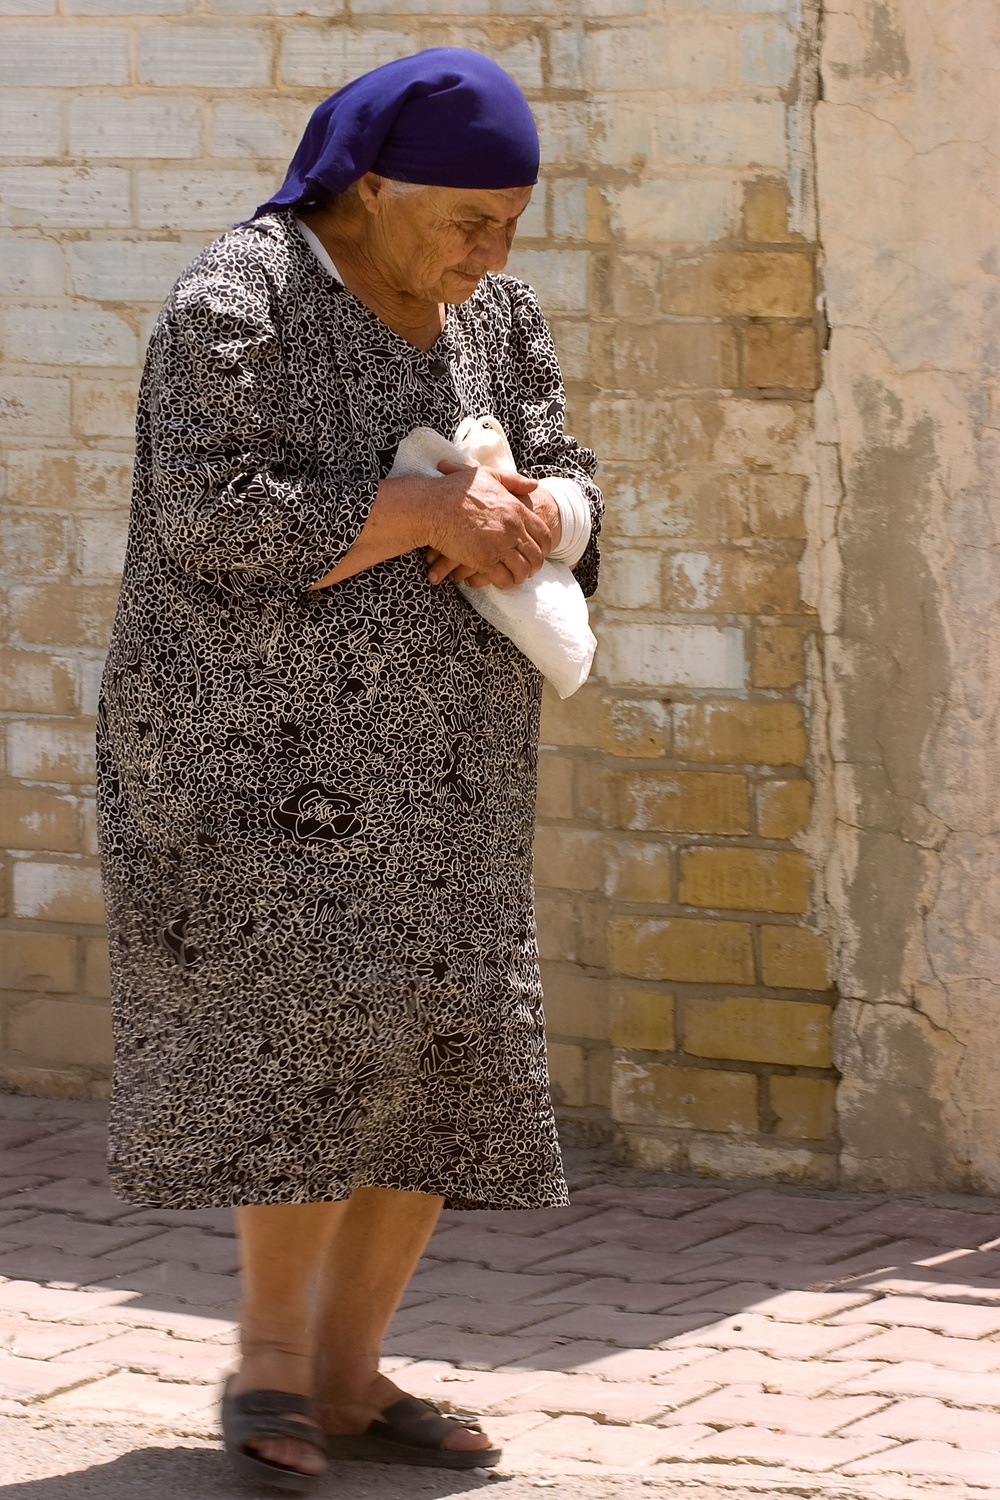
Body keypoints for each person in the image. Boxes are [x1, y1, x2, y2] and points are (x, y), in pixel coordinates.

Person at [96, 47, 602, 1491]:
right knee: (296, 1051)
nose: (491, 252)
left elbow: (574, 464)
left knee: (438, 1049)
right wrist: (418, 510)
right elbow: (211, 519)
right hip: (254, 760)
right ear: (370, 187)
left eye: (509, 222)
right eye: (466, 220)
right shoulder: (236, 299)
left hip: (448, 762)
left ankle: (348, 1370)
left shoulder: (492, 309)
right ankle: (266, 1368)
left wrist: (541, 512)